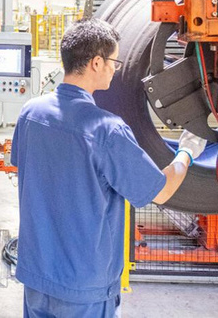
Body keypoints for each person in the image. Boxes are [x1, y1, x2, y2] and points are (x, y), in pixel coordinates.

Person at [11, 19, 207, 318]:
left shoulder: (30, 112)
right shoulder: (107, 130)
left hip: (36, 275)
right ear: (96, 62)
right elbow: (162, 190)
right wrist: (186, 152)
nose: (116, 69)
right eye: (114, 62)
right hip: (83, 284)